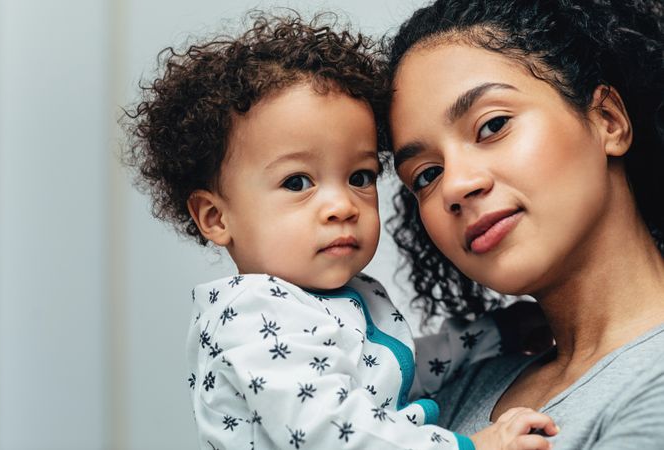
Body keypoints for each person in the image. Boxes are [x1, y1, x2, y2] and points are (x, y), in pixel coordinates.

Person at [122, 12, 559, 450]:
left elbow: (394, 372)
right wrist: (472, 448)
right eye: (297, 183)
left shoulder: (333, 299)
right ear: (216, 218)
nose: (342, 206)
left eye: (360, 177)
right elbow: (331, 432)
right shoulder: (252, 318)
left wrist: (495, 334)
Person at [386, 1, 664, 449]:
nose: (455, 186)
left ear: (608, 121)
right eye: (426, 175)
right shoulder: (448, 395)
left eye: (493, 125)